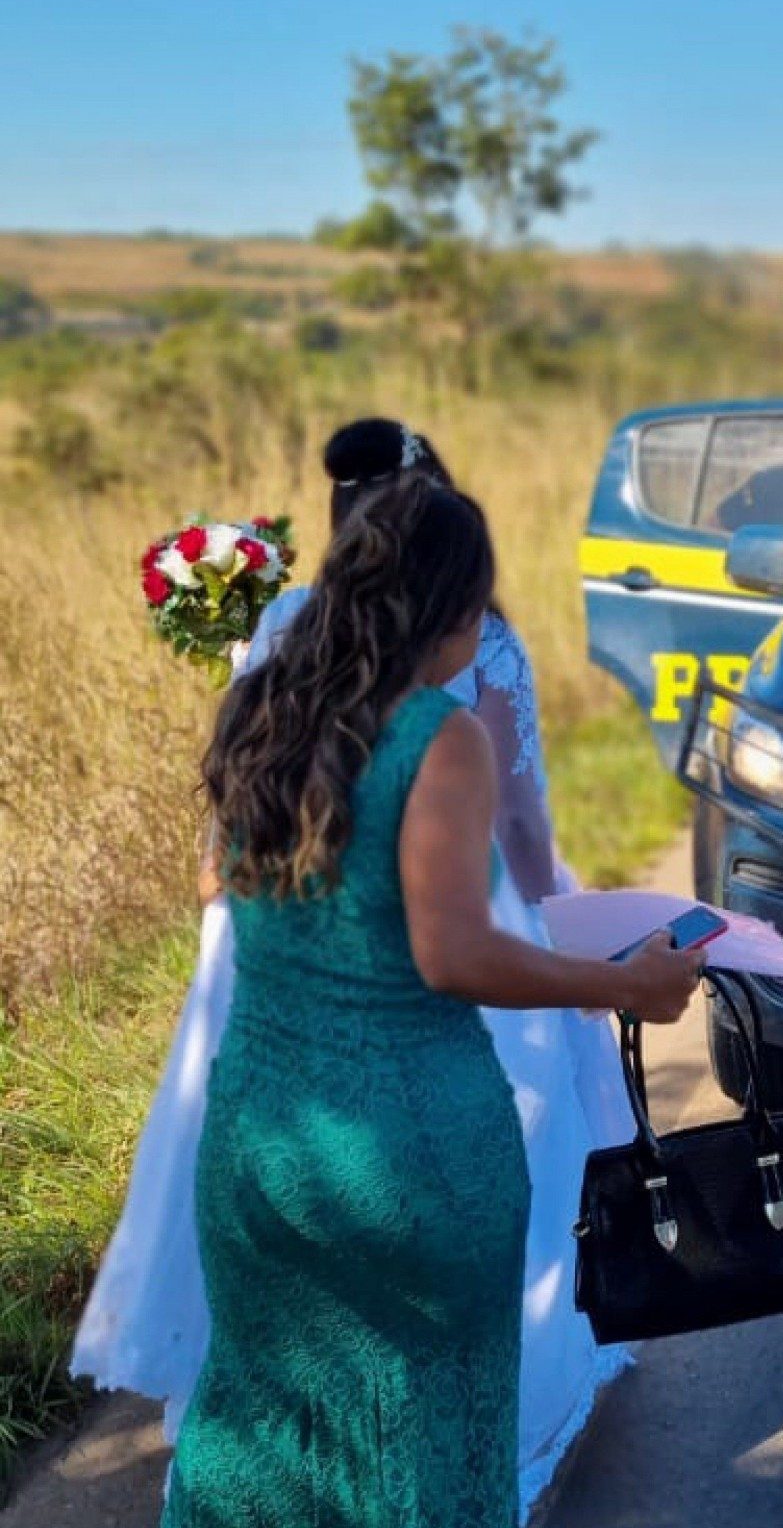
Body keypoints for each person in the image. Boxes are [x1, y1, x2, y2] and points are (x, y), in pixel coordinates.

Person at [73, 419, 643, 1516]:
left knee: (269, 1429)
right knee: (425, 1437)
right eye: (476, 605)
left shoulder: (267, 706)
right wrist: (626, 982)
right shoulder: (441, 732)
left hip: (260, 1148)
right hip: (411, 1164)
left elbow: (214, 890)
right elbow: (454, 951)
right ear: (447, 609)